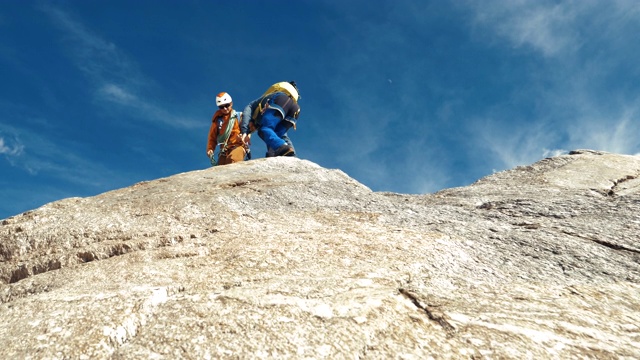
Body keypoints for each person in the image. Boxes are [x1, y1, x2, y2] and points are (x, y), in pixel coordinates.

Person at [240, 81, 300, 157]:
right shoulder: (261, 120)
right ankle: (290, 156)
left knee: (265, 129)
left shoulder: (252, 107)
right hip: (295, 109)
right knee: (277, 135)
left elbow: (247, 111)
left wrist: (244, 131)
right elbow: (282, 136)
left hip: (280, 99)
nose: (251, 129)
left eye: (250, 128)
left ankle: (281, 147)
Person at [206, 92, 249, 166]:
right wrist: (210, 149)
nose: (225, 108)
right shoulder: (217, 121)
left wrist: (244, 137)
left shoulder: (239, 116)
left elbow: (248, 129)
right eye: (221, 107)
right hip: (224, 151)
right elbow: (212, 137)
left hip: (238, 146)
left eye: (227, 105)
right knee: (219, 170)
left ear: (231, 104)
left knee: (232, 161)